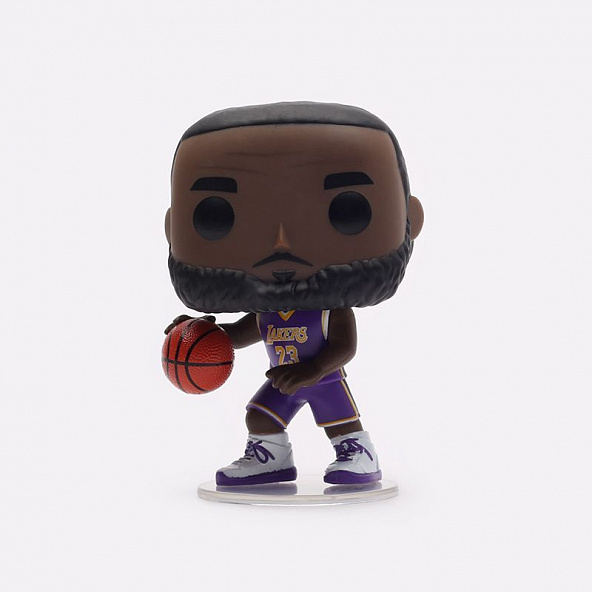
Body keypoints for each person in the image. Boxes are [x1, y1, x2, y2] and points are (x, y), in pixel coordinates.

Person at [164, 102, 424, 486]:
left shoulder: (330, 309)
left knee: (340, 422)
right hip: (283, 377)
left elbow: (345, 347)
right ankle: (271, 459)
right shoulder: (268, 311)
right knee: (258, 415)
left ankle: (359, 454)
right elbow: (240, 334)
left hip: (321, 379)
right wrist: (202, 332)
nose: (281, 245)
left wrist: (313, 370)